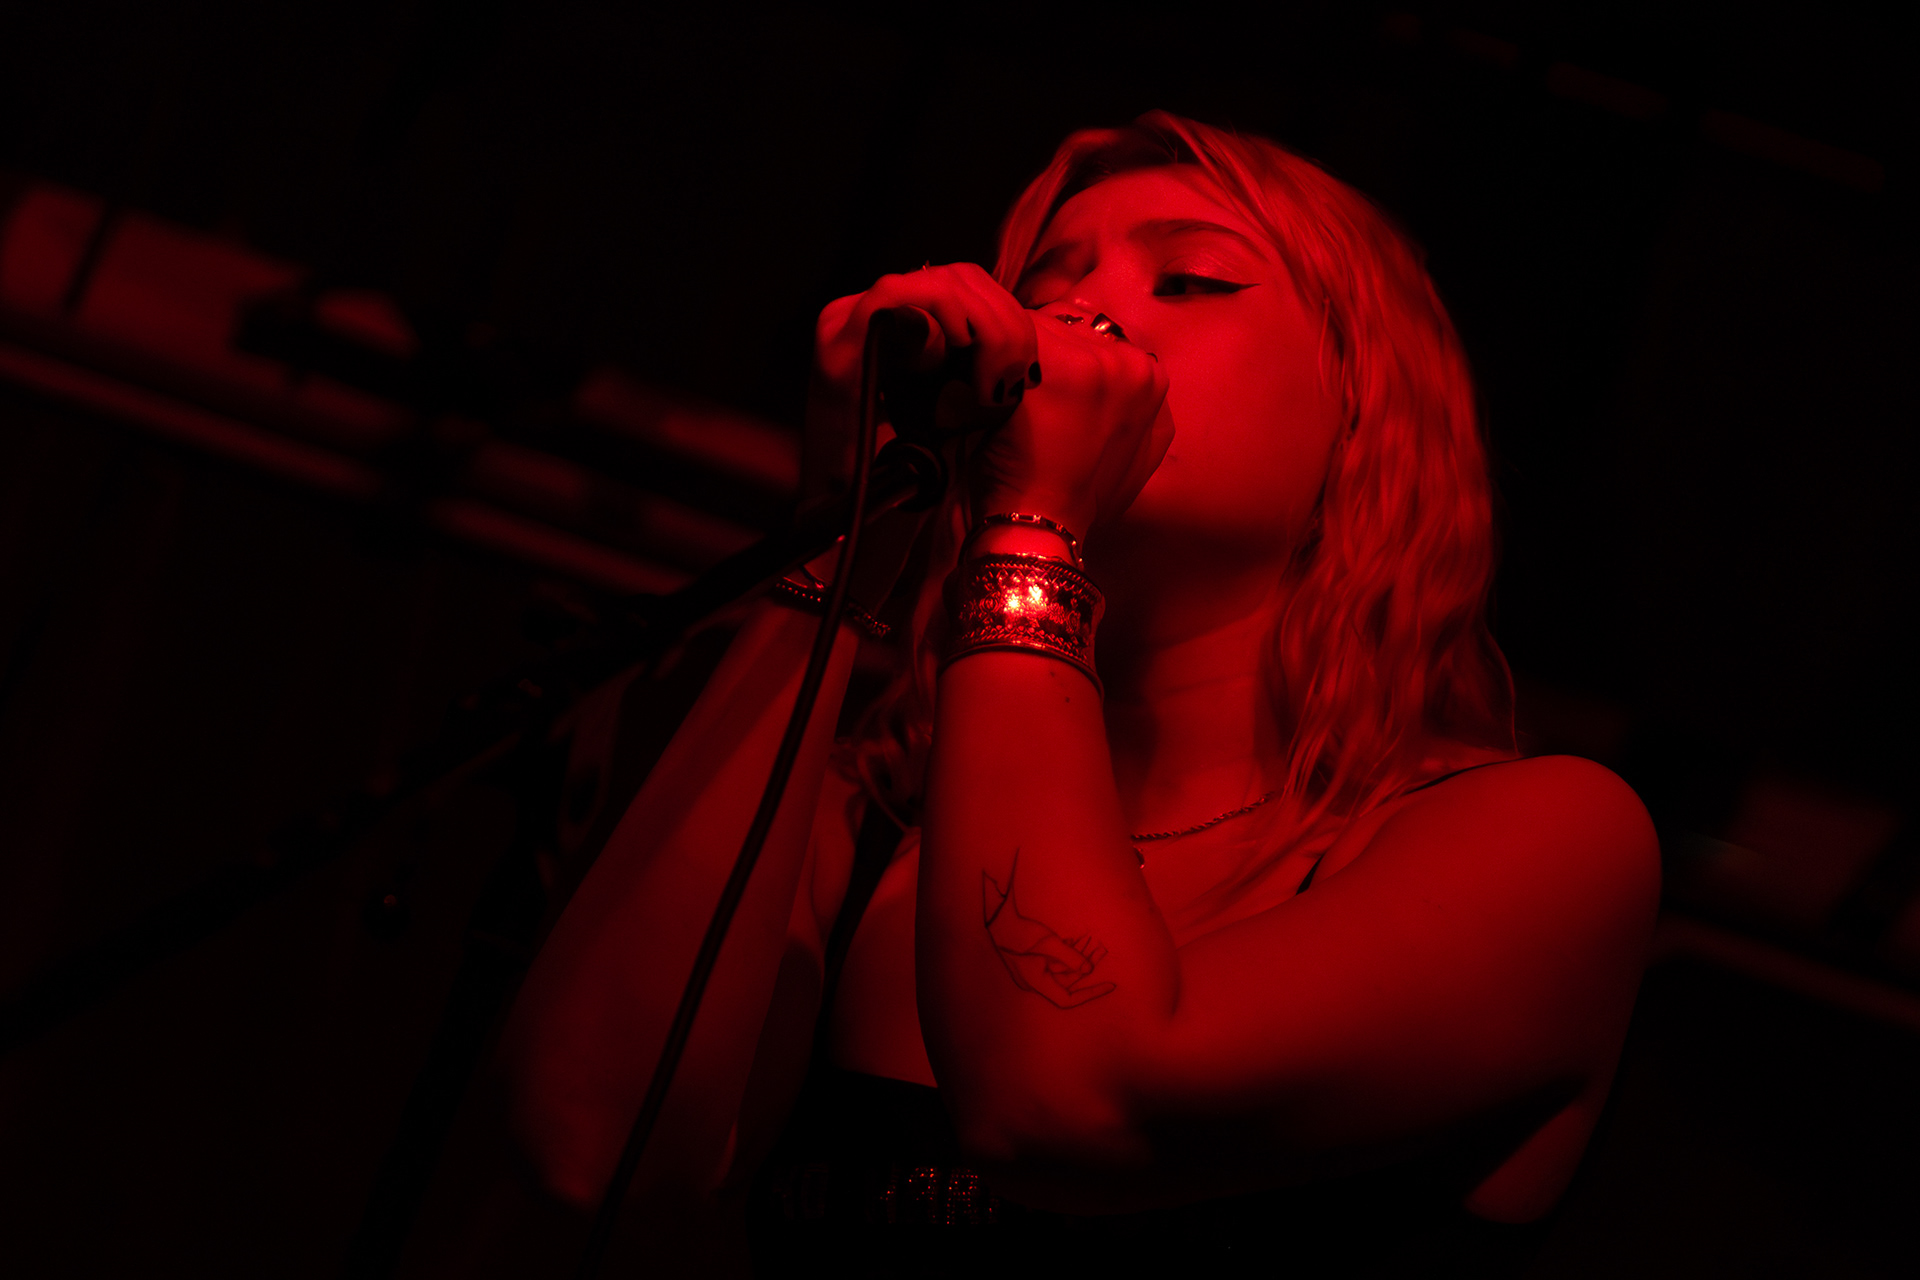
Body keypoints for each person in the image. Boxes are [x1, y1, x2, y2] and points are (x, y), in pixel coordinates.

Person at [497, 111, 1660, 1277]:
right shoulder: (874, 826)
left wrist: (1032, 526)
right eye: (1047, 287)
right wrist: (836, 542)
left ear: (1362, 411)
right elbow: (592, 1145)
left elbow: (1067, 1104)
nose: (1076, 318)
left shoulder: (1548, 842)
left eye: (1189, 280)